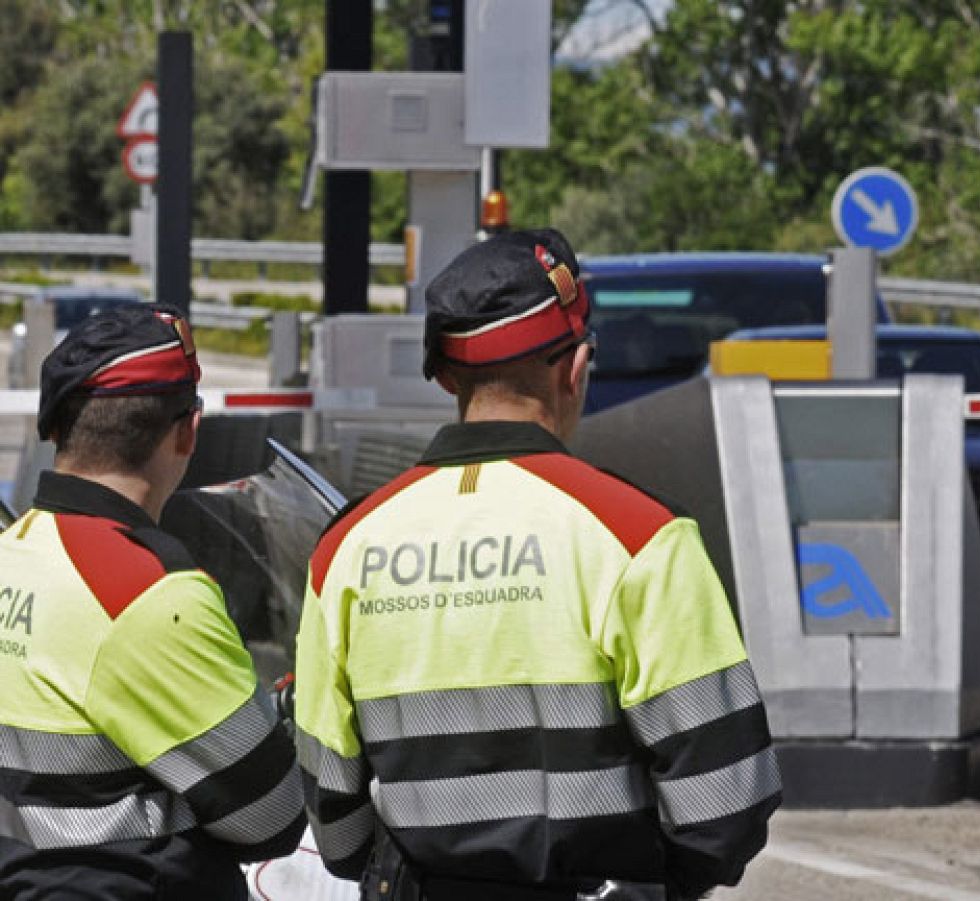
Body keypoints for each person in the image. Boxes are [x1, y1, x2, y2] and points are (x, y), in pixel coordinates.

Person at [294, 229, 781, 901]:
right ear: (576, 366)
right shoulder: (640, 535)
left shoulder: (345, 547)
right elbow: (726, 798)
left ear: (444, 377)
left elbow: (334, 815)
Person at [0, 304, 306, 899]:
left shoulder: (12, 553)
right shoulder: (146, 592)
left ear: (55, 427)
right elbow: (271, 818)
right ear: (188, 431)